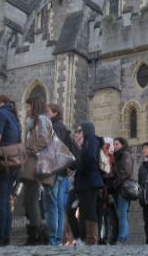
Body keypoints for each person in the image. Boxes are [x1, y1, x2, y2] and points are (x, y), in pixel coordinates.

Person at [19, 93, 54, 245]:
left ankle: (38, 236)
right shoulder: (35, 122)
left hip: (35, 165)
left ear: (34, 106)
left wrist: (29, 150)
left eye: (28, 106)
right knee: (28, 201)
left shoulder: (41, 119)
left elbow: (44, 140)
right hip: (31, 165)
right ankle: (36, 234)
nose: (26, 109)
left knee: (31, 201)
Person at [0, 94, 21, 247]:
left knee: (0, 203)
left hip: (2, 162)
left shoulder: (1, 114)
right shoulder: (14, 116)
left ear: (0, 103)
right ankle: (5, 239)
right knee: (6, 203)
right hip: (14, 163)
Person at [44, 103, 74, 246]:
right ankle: (58, 238)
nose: (46, 114)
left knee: (53, 206)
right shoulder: (64, 128)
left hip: (54, 171)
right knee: (60, 207)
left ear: (54, 113)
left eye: (47, 111)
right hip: (62, 171)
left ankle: (53, 239)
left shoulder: (54, 127)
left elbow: (51, 150)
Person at [73, 121, 105, 245]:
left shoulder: (91, 139)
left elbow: (90, 157)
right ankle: (87, 238)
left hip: (90, 181)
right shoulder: (87, 141)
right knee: (85, 210)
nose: (79, 133)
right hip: (86, 181)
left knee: (90, 210)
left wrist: (81, 166)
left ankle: (91, 239)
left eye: (81, 130)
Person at [111, 137, 135, 244]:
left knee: (122, 214)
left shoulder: (125, 155)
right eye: (114, 144)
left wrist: (116, 182)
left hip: (123, 188)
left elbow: (126, 172)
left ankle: (122, 238)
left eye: (116, 144)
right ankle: (122, 237)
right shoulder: (116, 157)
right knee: (120, 214)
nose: (114, 146)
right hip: (118, 189)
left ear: (122, 145)